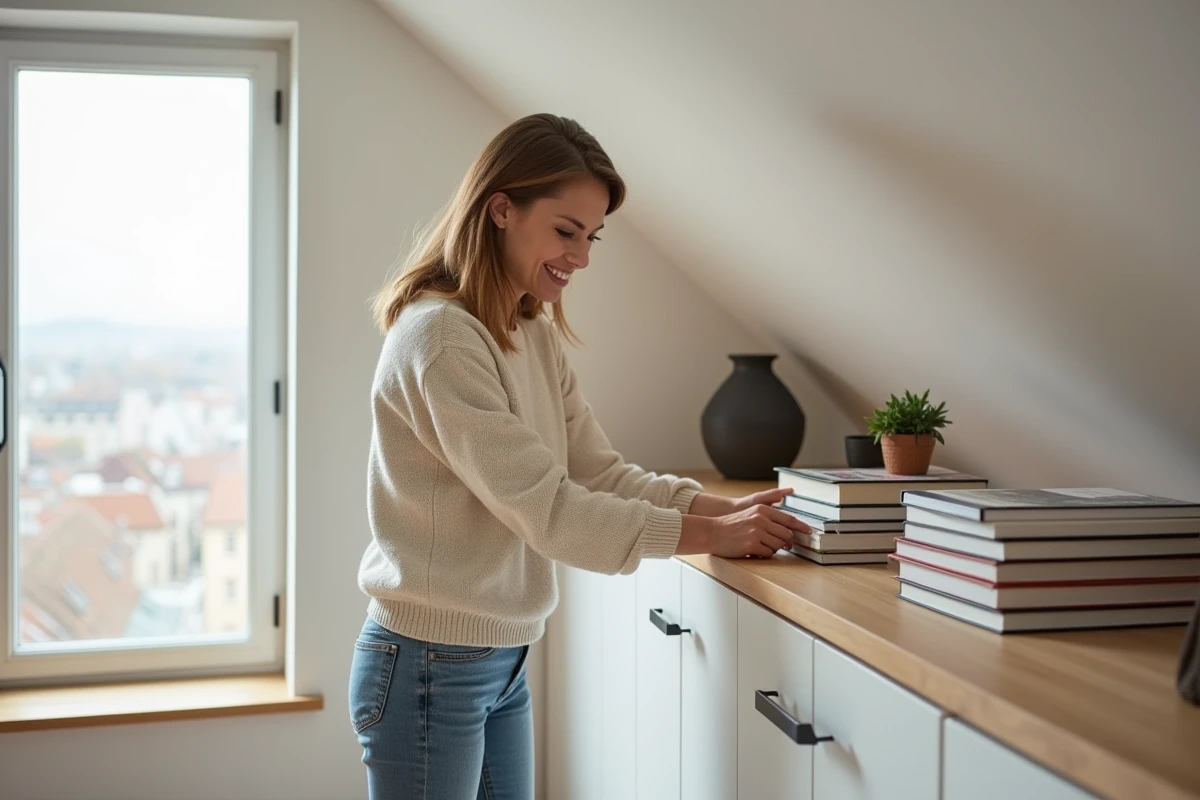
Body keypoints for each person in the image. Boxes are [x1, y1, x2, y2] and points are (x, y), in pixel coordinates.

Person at [348, 112, 810, 800]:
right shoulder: (441, 339)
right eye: (567, 231)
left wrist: (724, 509)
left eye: (592, 237)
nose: (583, 256)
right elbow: (551, 511)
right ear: (501, 209)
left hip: (501, 661)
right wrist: (712, 535)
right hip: (429, 666)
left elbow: (598, 471)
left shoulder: (528, 329)